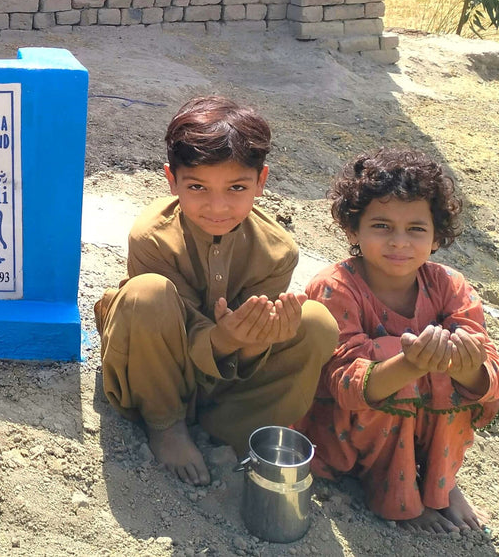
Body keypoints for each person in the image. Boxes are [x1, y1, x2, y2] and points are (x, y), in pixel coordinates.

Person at [94, 95, 338, 485]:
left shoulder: (277, 251)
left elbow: (251, 343)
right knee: (147, 294)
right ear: (172, 181)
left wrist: (257, 340)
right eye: (198, 187)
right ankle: (166, 424)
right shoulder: (152, 238)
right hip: (159, 364)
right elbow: (167, 331)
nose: (217, 206)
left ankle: (236, 429)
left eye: (236, 187)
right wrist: (223, 338)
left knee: (316, 322)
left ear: (261, 182)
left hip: (227, 379)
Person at [296, 148, 499, 534]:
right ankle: (398, 497)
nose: (399, 242)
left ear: (437, 236)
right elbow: (345, 386)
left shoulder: (449, 286)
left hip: (424, 423)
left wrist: (468, 365)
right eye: (382, 226)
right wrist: (410, 364)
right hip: (344, 430)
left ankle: (441, 483)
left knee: (454, 373)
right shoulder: (334, 288)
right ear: (353, 230)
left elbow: (488, 382)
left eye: (416, 229)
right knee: (402, 370)